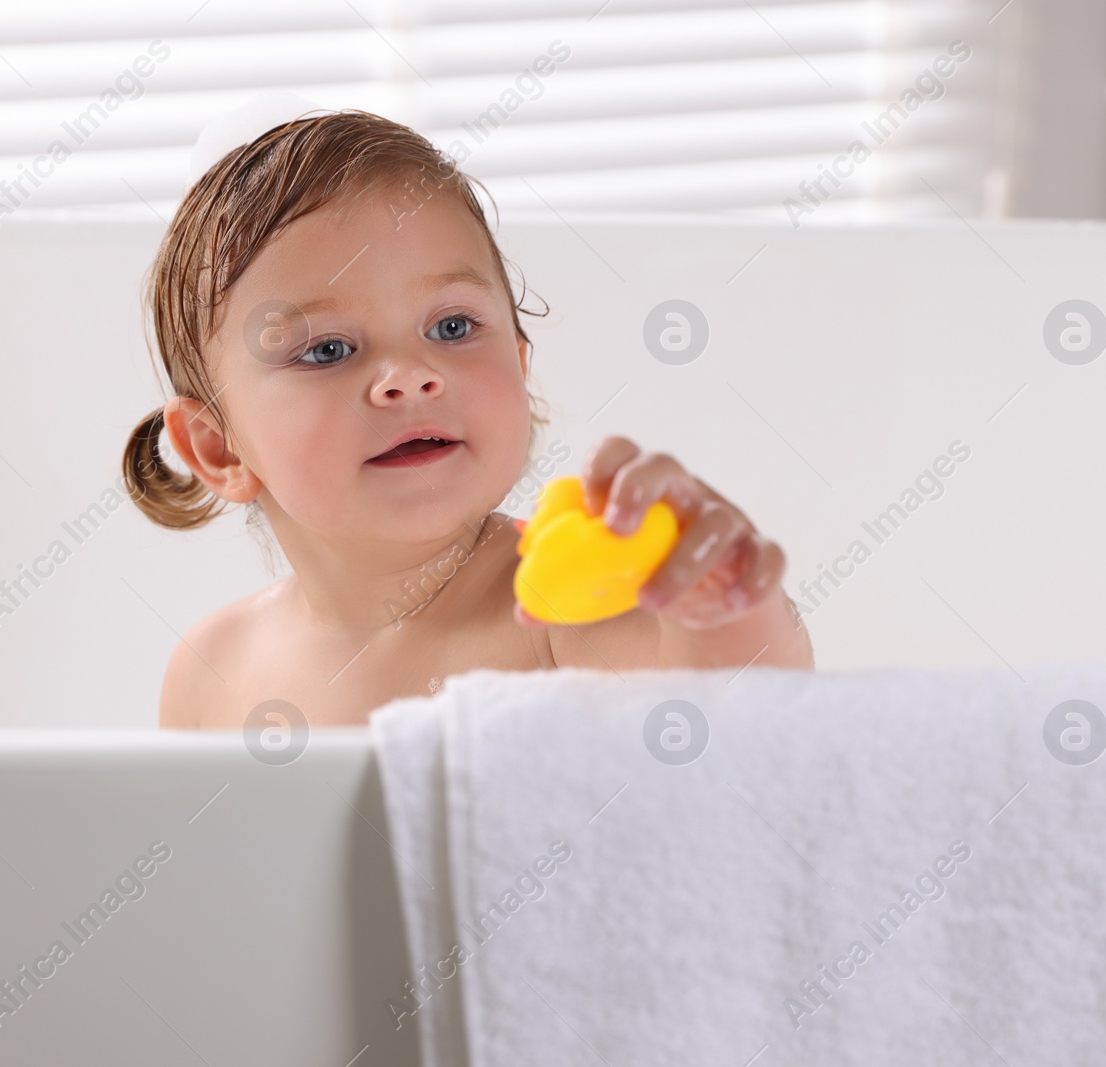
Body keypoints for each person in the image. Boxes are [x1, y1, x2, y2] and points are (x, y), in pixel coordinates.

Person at [121, 108, 813, 729]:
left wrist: (723, 607)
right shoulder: (210, 671)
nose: (410, 374)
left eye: (452, 326)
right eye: (327, 349)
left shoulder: (563, 611)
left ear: (519, 362)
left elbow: (738, 740)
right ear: (219, 448)